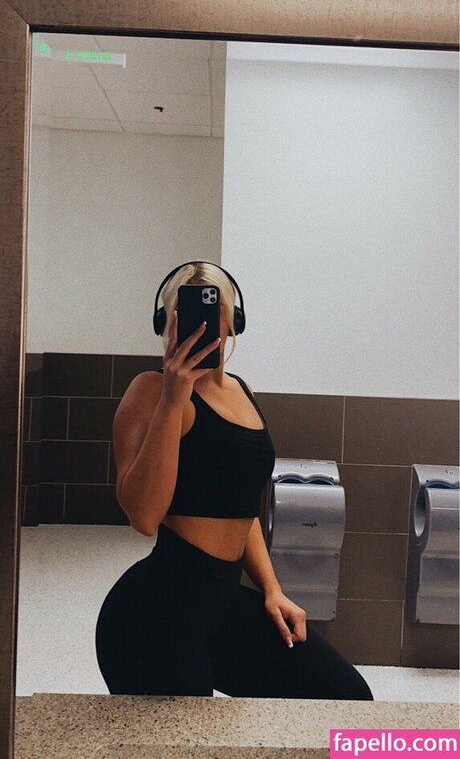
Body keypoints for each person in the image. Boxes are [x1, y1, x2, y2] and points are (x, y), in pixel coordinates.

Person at [95, 261, 374, 700]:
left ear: (231, 321)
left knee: (348, 696)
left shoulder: (241, 391)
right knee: (186, 735)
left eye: (213, 310)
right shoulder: (149, 391)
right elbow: (144, 517)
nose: (201, 322)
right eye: (186, 310)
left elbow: (243, 509)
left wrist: (272, 589)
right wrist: (173, 399)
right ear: (167, 321)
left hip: (224, 603)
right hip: (154, 614)